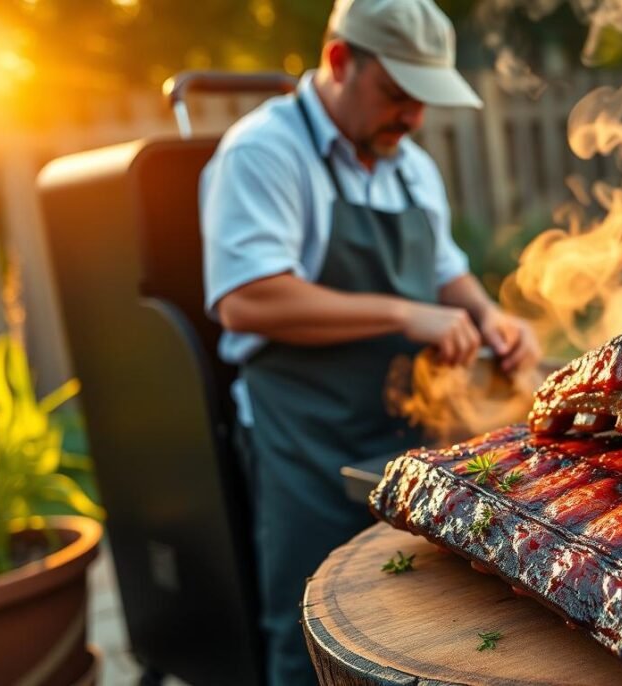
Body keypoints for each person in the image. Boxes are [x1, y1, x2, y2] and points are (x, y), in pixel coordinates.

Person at [200, 0, 541, 682]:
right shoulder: (264, 151)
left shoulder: (409, 164)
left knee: (418, 620)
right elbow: (244, 298)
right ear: (338, 62)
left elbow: (447, 271)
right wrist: (405, 315)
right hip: (303, 438)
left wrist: (490, 317)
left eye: (423, 100)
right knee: (307, 630)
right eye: (396, 94)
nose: (412, 118)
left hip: (406, 431)